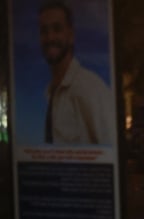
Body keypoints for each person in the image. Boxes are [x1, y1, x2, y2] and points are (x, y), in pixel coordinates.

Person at [39, 1, 114, 145]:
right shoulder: (51, 92)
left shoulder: (90, 88)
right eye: (44, 31)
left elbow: (109, 146)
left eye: (57, 29)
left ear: (71, 35)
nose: (50, 37)